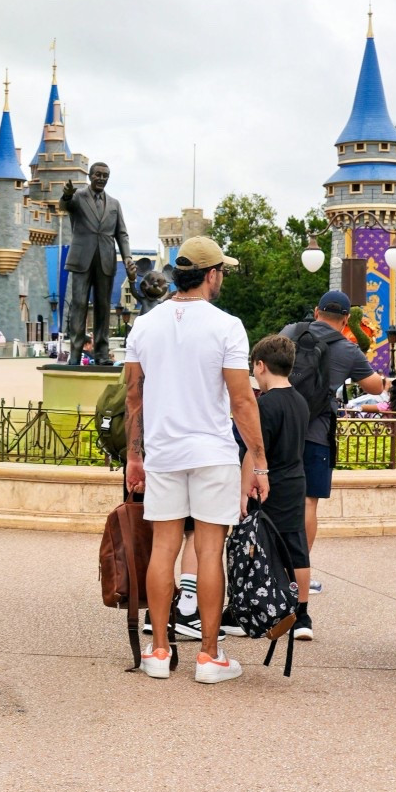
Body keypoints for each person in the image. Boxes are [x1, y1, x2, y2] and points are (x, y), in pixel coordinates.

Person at [123, 235, 268, 683]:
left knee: (163, 549)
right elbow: (242, 401)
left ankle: (160, 651)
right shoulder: (228, 326)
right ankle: (208, 656)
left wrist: (134, 455)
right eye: (222, 271)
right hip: (212, 451)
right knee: (209, 550)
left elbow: (132, 395)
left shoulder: (144, 325)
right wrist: (259, 461)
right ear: (211, 275)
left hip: (164, 451)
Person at [281, 291, 385, 586]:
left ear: (316, 311)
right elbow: (376, 387)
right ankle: (298, 574)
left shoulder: (289, 333)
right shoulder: (348, 350)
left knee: (275, 498)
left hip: (280, 428)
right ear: (345, 319)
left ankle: (270, 568)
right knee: (308, 502)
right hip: (316, 431)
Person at [245, 334, 313, 638]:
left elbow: (255, 449)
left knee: (261, 548)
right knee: (296, 548)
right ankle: (302, 615)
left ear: (260, 366)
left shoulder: (265, 405)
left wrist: (244, 487)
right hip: (296, 480)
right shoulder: (300, 401)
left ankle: (263, 607)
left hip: (269, 483)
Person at [60, 162, 134, 368]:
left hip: (106, 259)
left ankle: (102, 354)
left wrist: (127, 257)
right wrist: (66, 195)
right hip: (81, 259)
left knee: (103, 307)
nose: (102, 178)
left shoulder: (114, 204)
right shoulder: (78, 198)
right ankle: (75, 354)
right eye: (98, 175)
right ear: (91, 176)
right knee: (79, 306)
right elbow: (64, 206)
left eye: (105, 175)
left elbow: (122, 233)